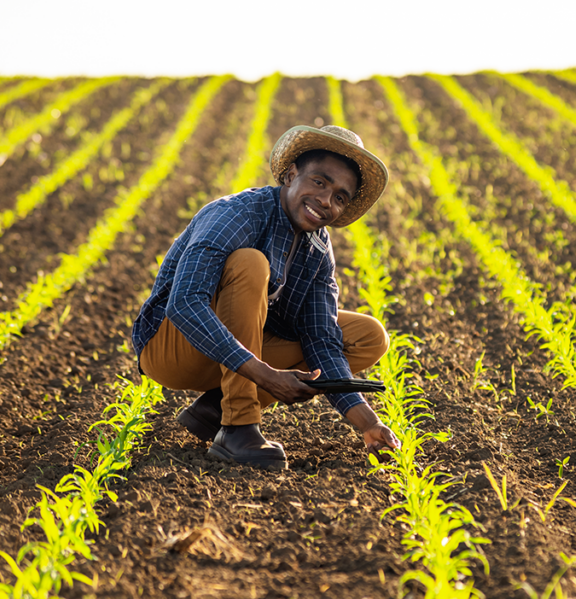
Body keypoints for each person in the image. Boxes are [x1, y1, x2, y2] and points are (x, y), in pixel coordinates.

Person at [131, 125, 401, 470]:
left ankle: (215, 408)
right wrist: (264, 374)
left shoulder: (317, 248)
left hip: (230, 355)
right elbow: (184, 303)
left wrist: (369, 424)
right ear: (290, 175)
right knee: (250, 264)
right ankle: (238, 428)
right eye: (319, 182)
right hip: (173, 348)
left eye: (340, 197)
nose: (325, 201)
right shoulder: (237, 214)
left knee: (367, 336)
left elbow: (321, 340)